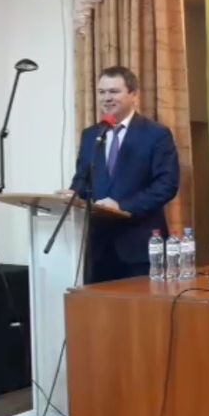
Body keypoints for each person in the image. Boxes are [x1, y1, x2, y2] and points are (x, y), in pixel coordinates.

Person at [67, 66, 179, 284]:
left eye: (114, 91)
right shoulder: (91, 135)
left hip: (139, 246)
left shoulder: (156, 134)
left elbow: (166, 185)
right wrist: (72, 194)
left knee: (141, 306)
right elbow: (82, 179)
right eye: (102, 92)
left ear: (133, 94)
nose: (106, 98)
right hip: (98, 248)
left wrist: (123, 206)